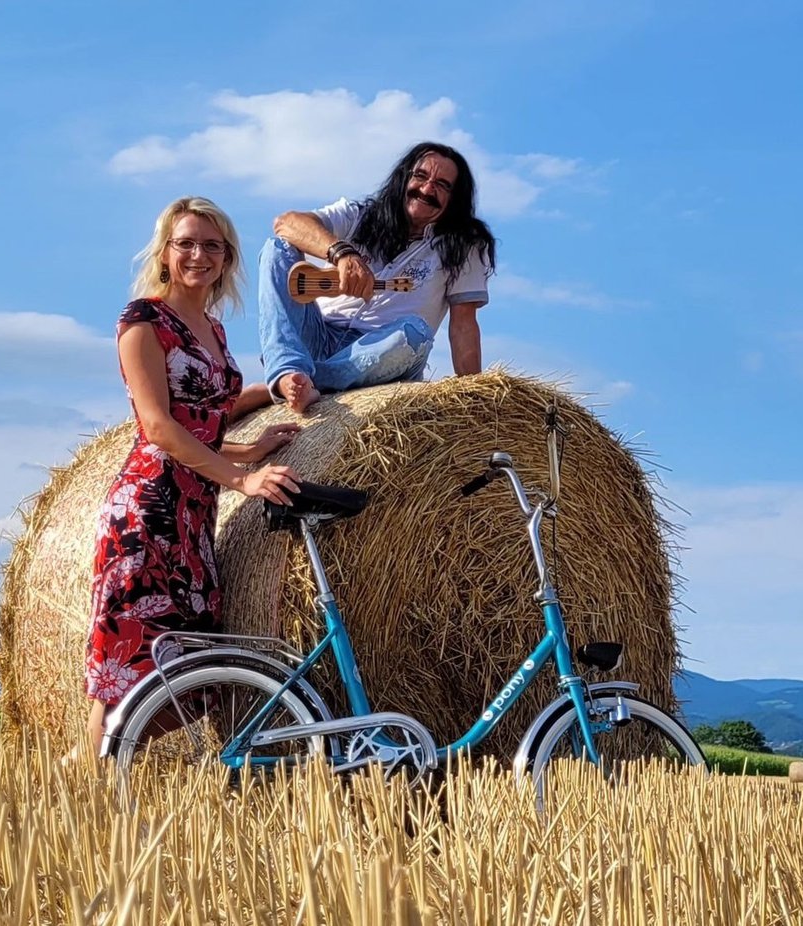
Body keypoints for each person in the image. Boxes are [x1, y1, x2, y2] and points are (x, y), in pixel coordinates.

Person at [83, 196, 301, 758]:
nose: (198, 254)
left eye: (212, 245)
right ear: (165, 252)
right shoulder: (143, 321)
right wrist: (243, 479)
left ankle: (94, 761)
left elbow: (200, 421)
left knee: (191, 677)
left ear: (227, 258)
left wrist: (253, 438)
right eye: (186, 243)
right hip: (147, 511)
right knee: (125, 671)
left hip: (193, 516)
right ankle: (91, 779)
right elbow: (158, 427)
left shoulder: (213, 329)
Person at [246, 141, 496, 414]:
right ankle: (288, 370)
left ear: (454, 200)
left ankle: (293, 384)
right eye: (420, 176)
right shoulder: (359, 214)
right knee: (277, 248)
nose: (427, 190)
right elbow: (287, 223)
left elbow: (463, 325)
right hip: (318, 334)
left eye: (442, 185)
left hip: (380, 352)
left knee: (416, 333)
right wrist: (341, 253)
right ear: (403, 178)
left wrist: (474, 403)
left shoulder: (465, 246)